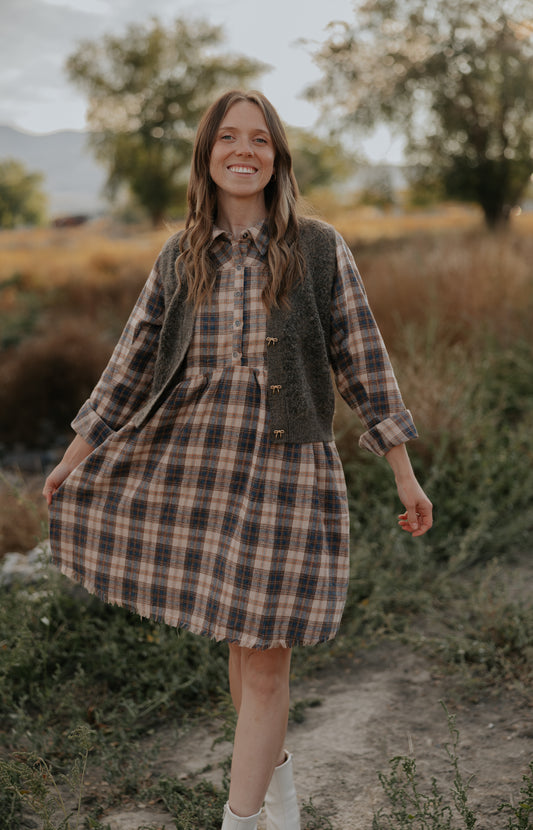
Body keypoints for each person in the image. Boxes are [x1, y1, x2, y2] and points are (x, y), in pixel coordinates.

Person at [43, 89, 433, 830]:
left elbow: (364, 361)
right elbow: (128, 367)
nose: (243, 150)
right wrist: (72, 459)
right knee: (242, 642)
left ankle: (242, 819)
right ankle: (275, 793)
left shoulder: (318, 247)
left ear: (276, 157)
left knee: (265, 655)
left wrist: (403, 474)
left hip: (289, 468)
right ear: (207, 155)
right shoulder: (180, 254)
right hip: (199, 465)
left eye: (259, 138)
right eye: (228, 137)